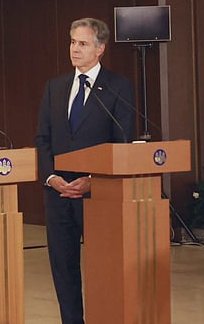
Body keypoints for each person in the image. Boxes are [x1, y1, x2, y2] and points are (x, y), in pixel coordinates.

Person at [35, 17, 135, 324]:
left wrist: (93, 181)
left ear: (100, 48)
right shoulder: (55, 86)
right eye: (72, 42)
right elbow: (43, 138)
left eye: (82, 43)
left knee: (102, 267)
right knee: (63, 268)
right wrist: (52, 178)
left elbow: (122, 143)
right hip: (59, 195)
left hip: (98, 196)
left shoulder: (118, 86)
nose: (75, 49)